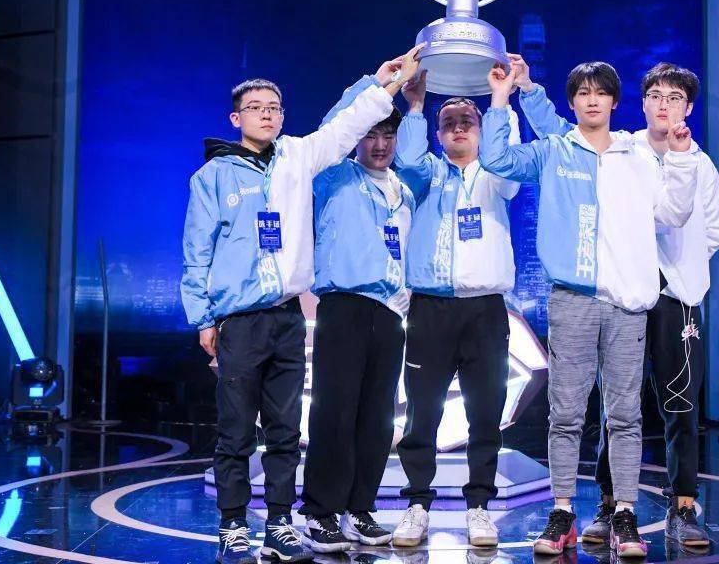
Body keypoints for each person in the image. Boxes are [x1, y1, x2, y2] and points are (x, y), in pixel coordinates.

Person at [180, 44, 424, 564]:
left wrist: (378, 83)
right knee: (236, 430)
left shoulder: (297, 157)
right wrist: (202, 317)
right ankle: (232, 525)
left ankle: (279, 524)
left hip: (289, 316)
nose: (267, 115)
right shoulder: (213, 177)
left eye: (274, 107)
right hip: (239, 319)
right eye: (256, 108)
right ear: (236, 118)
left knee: (286, 432)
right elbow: (197, 251)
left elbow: (344, 128)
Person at [479, 60, 697, 558]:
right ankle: (562, 512)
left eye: (601, 92)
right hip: (572, 300)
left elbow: (673, 213)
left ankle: (625, 514)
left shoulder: (636, 155)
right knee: (566, 415)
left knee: (625, 416)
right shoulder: (556, 149)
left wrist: (682, 159)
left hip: (626, 305)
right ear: (572, 101)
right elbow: (497, 160)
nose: (592, 100)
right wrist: (502, 97)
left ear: (615, 102)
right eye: (582, 92)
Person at [389, 71, 521, 549]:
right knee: (422, 412)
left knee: (485, 413)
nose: (459, 128)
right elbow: (406, 158)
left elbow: (507, 154)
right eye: (449, 123)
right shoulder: (425, 175)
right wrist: (416, 106)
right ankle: (417, 504)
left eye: (468, 120)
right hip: (431, 309)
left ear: (483, 129)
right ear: (439, 134)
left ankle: (479, 505)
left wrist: (501, 99)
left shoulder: (499, 175)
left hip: (485, 310)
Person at [299, 77, 415, 552]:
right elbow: (336, 124)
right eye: (371, 134)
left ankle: (359, 509)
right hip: (344, 306)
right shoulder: (334, 176)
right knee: (334, 411)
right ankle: (321, 512)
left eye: (388, 135)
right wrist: (376, 84)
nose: (380, 144)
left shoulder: (404, 191)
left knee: (378, 418)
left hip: (389, 313)